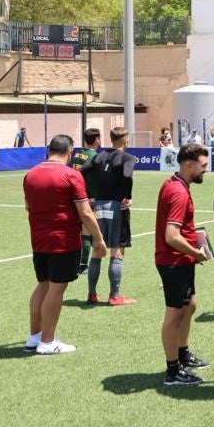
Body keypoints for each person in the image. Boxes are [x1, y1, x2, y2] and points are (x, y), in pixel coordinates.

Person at [23, 135, 108, 355]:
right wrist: (98, 239)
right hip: (63, 239)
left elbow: (27, 206)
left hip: (38, 238)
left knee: (42, 284)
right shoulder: (71, 175)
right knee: (56, 288)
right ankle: (48, 341)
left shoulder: (30, 174)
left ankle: (35, 336)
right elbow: (86, 212)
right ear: (69, 152)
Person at [155, 143, 211, 386]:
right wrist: (196, 253)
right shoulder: (178, 191)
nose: (205, 170)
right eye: (203, 165)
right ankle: (172, 370)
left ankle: (182, 354)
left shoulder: (177, 185)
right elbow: (172, 236)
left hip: (181, 259)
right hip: (174, 260)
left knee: (190, 306)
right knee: (175, 313)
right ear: (189, 165)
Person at [83, 127, 136, 306]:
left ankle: (91, 294)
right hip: (116, 207)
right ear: (125, 140)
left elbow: (80, 172)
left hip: (98, 207)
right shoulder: (128, 158)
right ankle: (115, 296)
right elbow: (127, 175)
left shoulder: (99, 156)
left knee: (98, 249)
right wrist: (127, 196)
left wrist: (90, 193)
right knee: (117, 251)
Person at [71, 128, 101, 277]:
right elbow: (95, 180)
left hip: (75, 197)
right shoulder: (94, 156)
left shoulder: (77, 154)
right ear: (97, 139)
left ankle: (76, 263)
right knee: (87, 232)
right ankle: (83, 265)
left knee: (80, 232)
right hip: (87, 198)